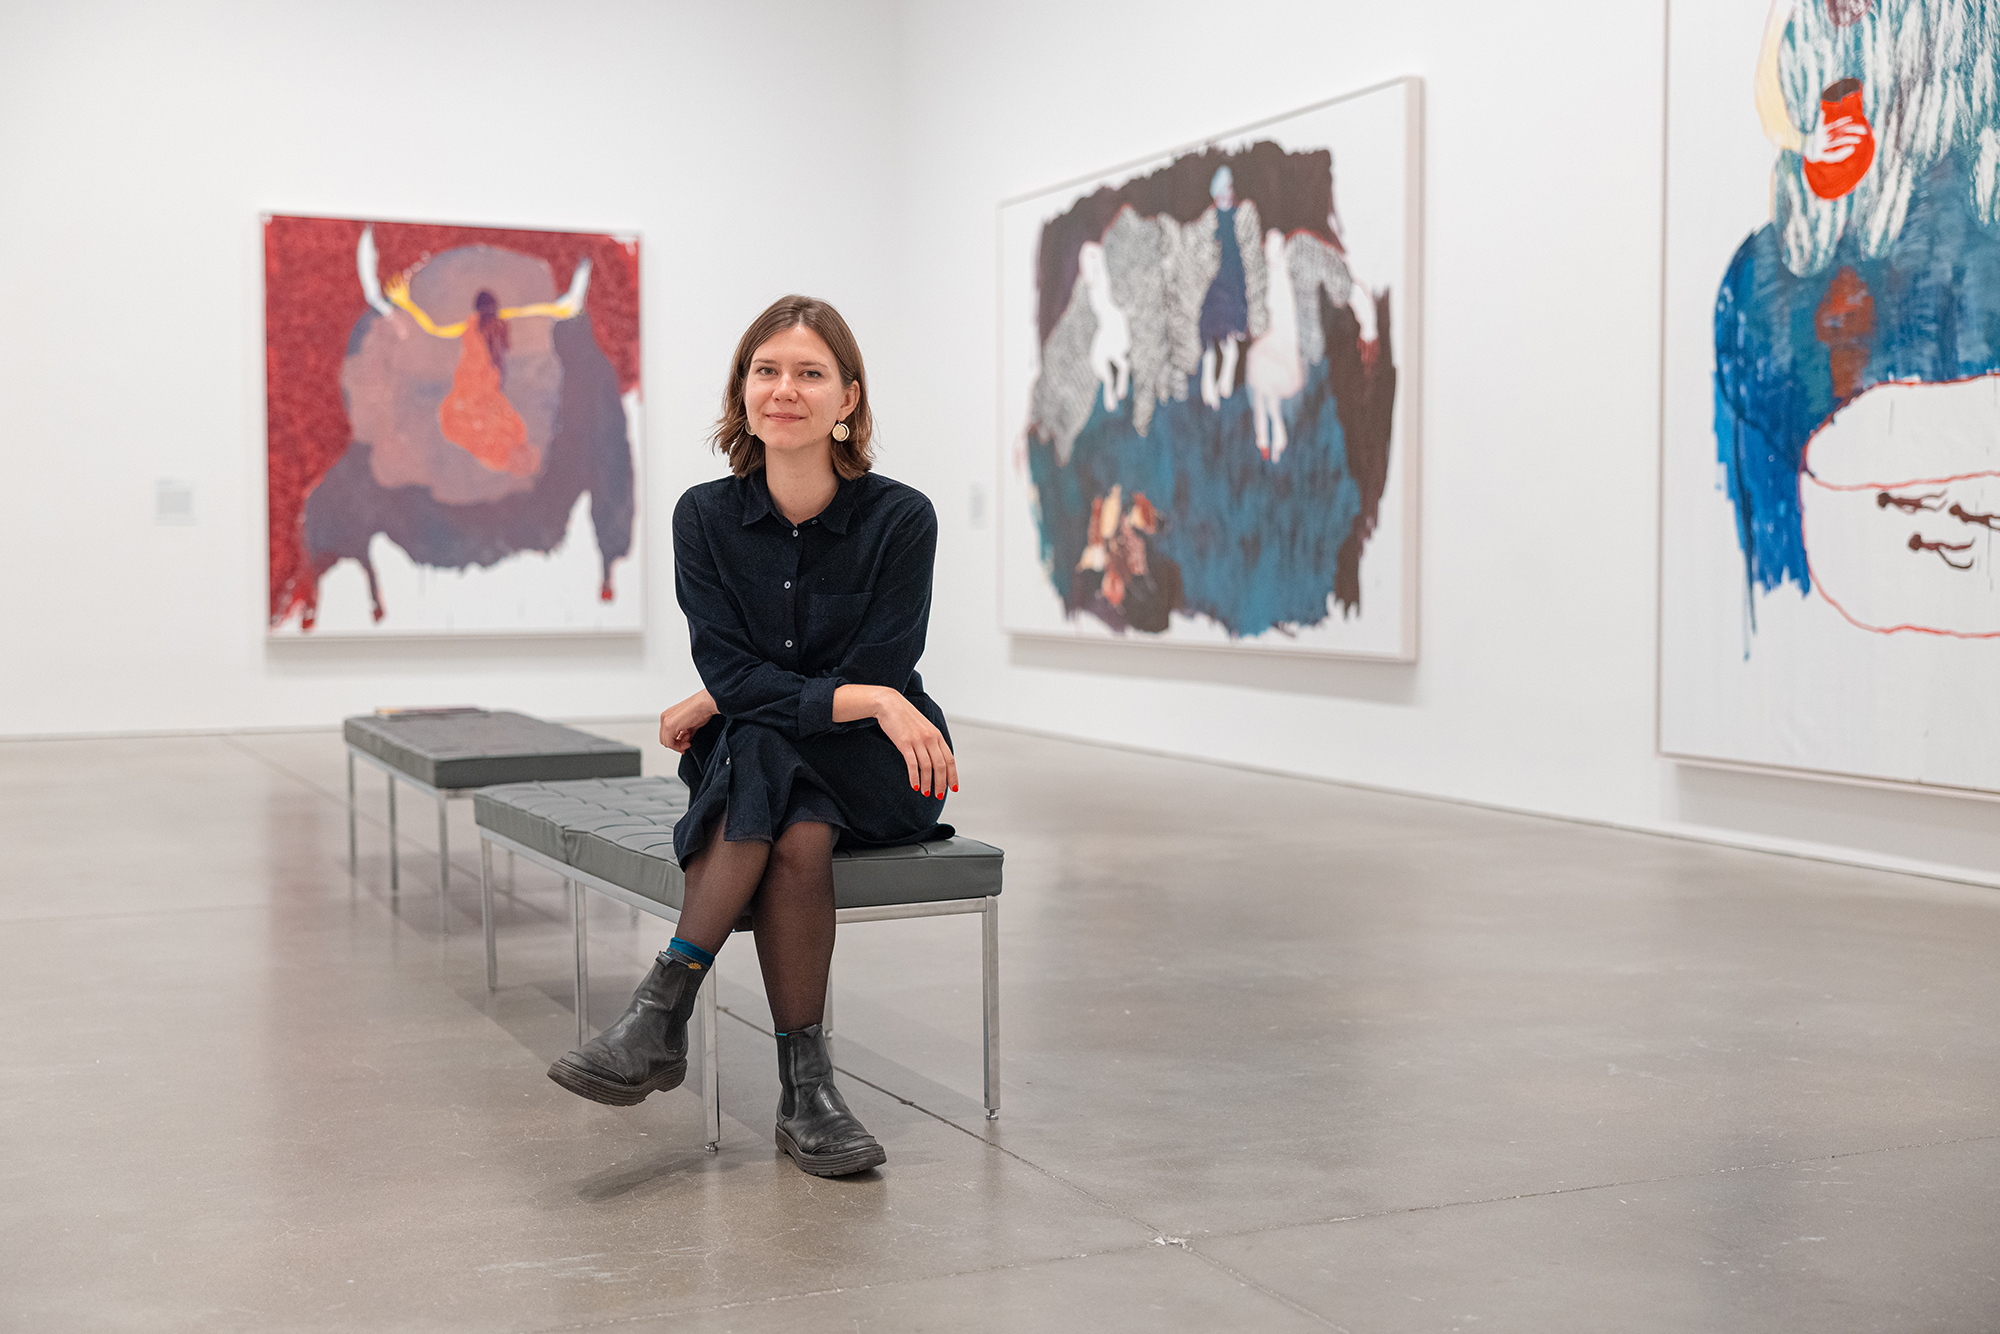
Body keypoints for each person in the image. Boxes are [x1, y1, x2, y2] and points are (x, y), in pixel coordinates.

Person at [546, 295, 958, 1178]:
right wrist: (745, 696)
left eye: (811, 373)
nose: (786, 389)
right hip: (791, 751)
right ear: (742, 392)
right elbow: (740, 675)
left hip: (884, 761)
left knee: (770, 755)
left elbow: (876, 665)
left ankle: (663, 1011)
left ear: (848, 399)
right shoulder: (704, 517)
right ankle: (807, 1092)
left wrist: (855, 704)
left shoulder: (902, 518)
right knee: (795, 814)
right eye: (766, 371)